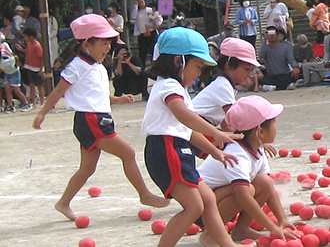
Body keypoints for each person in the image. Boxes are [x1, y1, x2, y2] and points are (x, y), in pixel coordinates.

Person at [32, 14, 169, 221]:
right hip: (91, 120)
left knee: (87, 168)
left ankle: (63, 202)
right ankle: (144, 194)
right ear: (87, 44)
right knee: (128, 153)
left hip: (95, 118)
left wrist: (117, 99)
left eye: (109, 43)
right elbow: (59, 90)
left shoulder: (95, 65)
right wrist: (43, 112)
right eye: (104, 43)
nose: (107, 48)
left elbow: (94, 94)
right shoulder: (77, 65)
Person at [142, 27, 254, 247]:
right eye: (198, 66)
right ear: (178, 61)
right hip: (166, 151)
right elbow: (185, 116)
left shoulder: (179, 87)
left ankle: (224, 243)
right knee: (194, 207)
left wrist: (215, 150)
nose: (199, 73)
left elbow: (189, 132)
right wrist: (215, 132)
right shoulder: (168, 86)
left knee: (208, 199)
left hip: (176, 148)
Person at [197, 95, 300, 242]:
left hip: (216, 200)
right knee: (247, 190)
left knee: (264, 181)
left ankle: (241, 229)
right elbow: (243, 197)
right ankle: (210, 235)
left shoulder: (256, 150)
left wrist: (282, 220)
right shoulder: (237, 155)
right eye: (274, 123)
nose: (276, 127)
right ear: (261, 132)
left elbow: (268, 188)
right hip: (202, 210)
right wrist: (272, 227)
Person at [258, 26, 299, 91]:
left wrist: (295, 67)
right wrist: (264, 39)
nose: (271, 36)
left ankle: (273, 87)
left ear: (277, 35)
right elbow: (260, 55)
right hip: (272, 76)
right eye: (269, 33)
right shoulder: (265, 48)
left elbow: (291, 60)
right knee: (260, 79)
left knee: (295, 75)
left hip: (284, 75)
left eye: (273, 33)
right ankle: (285, 86)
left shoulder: (285, 47)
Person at [15, 28, 44, 109]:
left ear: (31, 36)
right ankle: (34, 102)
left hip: (37, 68)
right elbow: (27, 51)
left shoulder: (37, 45)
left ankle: (42, 102)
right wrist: (21, 49)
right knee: (32, 85)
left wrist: (41, 69)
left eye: (26, 36)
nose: (25, 38)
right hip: (30, 66)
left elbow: (41, 57)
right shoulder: (29, 44)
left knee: (40, 85)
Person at [0, 46, 32, 113]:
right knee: (7, 90)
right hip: (7, 73)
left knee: (17, 90)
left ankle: (26, 103)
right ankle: (10, 106)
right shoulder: (2, 63)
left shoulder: (6, 61)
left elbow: (14, 57)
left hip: (14, 73)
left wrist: (6, 52)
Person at [130, 0, 159, 69]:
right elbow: (133, 18)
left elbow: (157, 17)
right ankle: (142, 68)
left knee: (153, 51)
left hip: (151, 32)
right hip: (142, 34)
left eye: (142, 2)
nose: (141, 4)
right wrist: (135, 6)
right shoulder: (137, 11)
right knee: (142, 53)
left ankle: (155, 68)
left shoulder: (150, 10)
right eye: (139, 2)